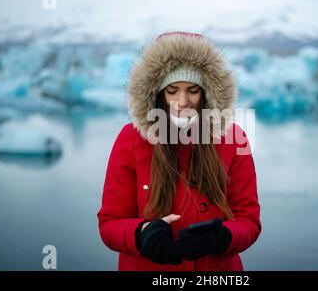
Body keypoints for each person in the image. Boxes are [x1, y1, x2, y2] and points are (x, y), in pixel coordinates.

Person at [97, 31, 261, 271]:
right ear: (157, 94)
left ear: (206, 94)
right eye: (172, 90)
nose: (182, 101)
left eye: (192, 90)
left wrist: (222, 237)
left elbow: (249, 220)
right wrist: (142, 234)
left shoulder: (234, 139)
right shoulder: (131, 140)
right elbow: (109, 224)